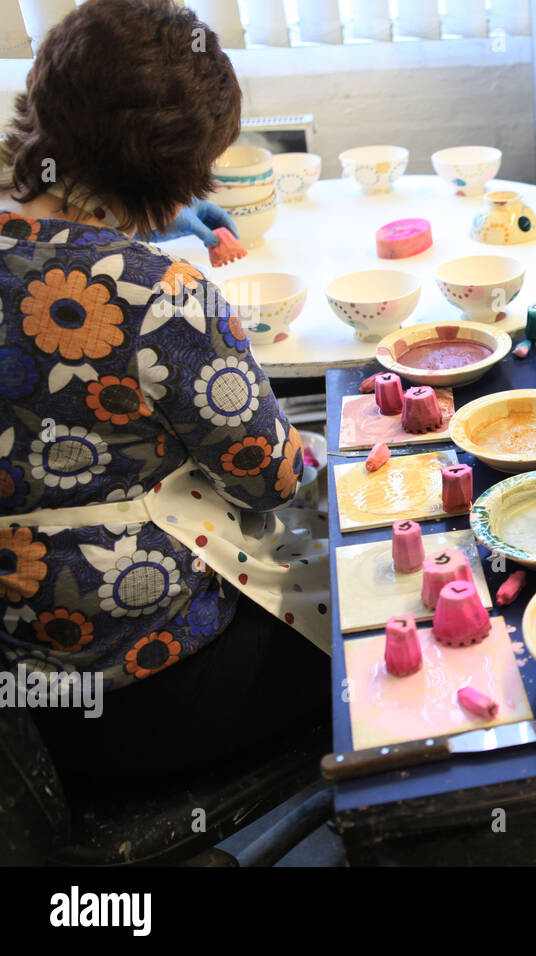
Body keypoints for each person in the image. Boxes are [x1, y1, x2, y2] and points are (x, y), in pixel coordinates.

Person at [0, 0, 329, 779]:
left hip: (25, 699)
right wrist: (335, 449)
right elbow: (269, 477)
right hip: (147, 691)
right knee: (374, 621)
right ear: (179, 173)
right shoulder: (160, 295)